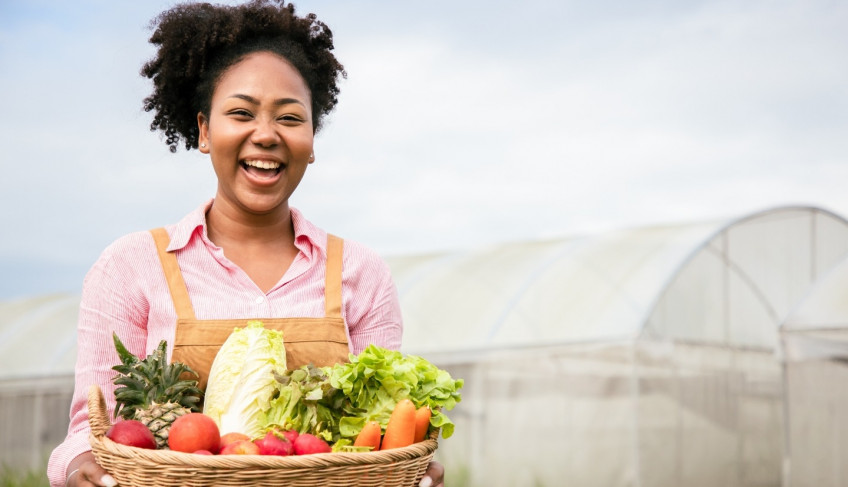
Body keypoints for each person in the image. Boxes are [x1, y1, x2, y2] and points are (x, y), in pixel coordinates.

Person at [47, 2, 445, 486]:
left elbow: (386, 429)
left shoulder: (361, 271)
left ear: (312, 139)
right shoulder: (131, 266)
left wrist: (413, 465)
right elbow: (91, 428)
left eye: (290, 118)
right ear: (204, 131)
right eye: (240, 113)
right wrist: (76, 466)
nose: (266, 135)